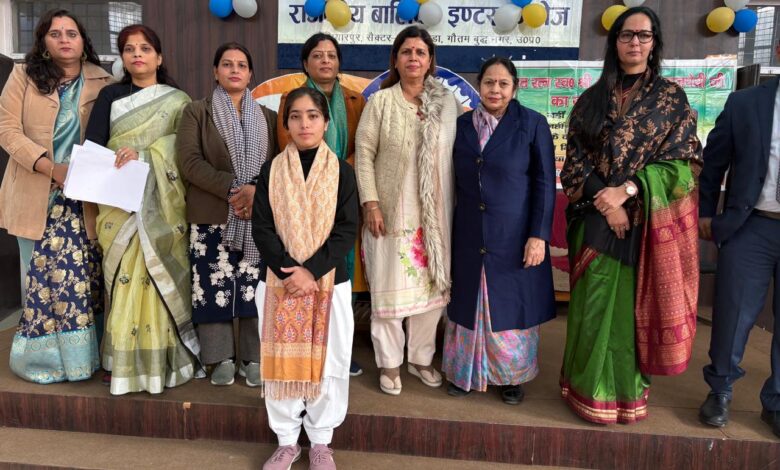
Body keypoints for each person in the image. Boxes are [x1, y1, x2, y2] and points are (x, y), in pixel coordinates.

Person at [559, 6, 702, 424]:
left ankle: (622, 396)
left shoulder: (671, 99)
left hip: (644, 222)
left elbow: (685, 165)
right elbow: (574, 162)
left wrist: (628, 191)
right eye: (626, 35)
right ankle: (583, 390)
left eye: (643, 35)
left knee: (625, 314)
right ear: (615, 41)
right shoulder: (591, 99)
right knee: (591, 309)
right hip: (593, 217)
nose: (634, 42)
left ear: (654, 43)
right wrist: (606, 200)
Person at [84, 24, 201, 395]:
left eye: (145, 48)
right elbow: (93, 147)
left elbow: (185, 151)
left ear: (159, 57)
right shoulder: (110, 96)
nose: (137, 54)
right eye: (129, 49)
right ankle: (120, 362)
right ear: (122, 58)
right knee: (125, 279)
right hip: (119, 203)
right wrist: (122, 160)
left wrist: (147, 155)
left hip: (161, 206)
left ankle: (164, 360)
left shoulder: (178, 100)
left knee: (157, 276)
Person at [0, 9, 111, 384]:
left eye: (72, 33)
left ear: (83, 41)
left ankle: (84, 359)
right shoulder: (24, 76)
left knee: (83, 281)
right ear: (44, 42)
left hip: (84, 198)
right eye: (56, 33)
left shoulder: (103, 81)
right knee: (43, 283)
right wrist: (50, 167)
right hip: (36, 193)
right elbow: (6, 129)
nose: (65, 39)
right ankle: (43, 362)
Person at [253, 87, 358, 470]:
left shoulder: (342, 172)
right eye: (295, 116)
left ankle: (320, 442)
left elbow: (347, 229)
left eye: (313, 115)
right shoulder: (271, 170)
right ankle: (286, 442)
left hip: (329, 280)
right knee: (280, 363)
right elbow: (262, 228)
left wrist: (311, 270)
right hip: (278, 280)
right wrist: (290, 271)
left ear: (326, 122)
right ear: (286, 124)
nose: (304, 123)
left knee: (330, 362)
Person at [443, 57, 556, 404]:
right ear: (479, 85)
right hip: (470, 232)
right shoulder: (462, 125)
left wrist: (538, 235)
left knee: (512, 308)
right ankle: (465, 374)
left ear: (514, 88)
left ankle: (511, 378)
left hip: (515, 235)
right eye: (489, 82)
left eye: (503, 83)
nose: (495, 89)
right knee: (469, 303)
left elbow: (545, 183)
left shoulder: (532, 124)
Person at [355, 25, 461, 395]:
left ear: (430, 61)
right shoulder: (381, 102)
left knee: (431, 293)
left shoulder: (447, 103)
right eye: (406, 52)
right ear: (396, 60)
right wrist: (371, 203)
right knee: (390, 291)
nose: (413, 58)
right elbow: (364, 155)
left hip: (436, 216)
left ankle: (420, 358)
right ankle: (389, 363)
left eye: (420, 52)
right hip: (390, 214)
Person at [177, 42, 277, 387]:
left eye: (242, 65)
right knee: (212, 285)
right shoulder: (196, 112)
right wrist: (235, 188)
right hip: (212, 213)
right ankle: (219, 357)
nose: (235, 70)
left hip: (255, 215)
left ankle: (253, 357)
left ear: (251, 74)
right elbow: (189, 162)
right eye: (227, 64)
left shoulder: (268, 117)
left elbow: (278, 165)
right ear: (215, 72)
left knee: (254, 286)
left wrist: (255, 189)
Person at [698, 40, 780, 436]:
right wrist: (705, 213)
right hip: (752, 225)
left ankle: (776, 401)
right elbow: (713, 161)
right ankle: (720, 390)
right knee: (733, 314)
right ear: (779, 50)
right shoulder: (745, 103)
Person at [277, 33, 366, 377]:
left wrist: (339, 172)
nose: (325, 60)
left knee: (339, 268)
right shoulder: (290, 100)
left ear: (339, 62)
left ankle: (339, 349)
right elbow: (285, 148)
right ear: (305, 63)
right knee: (304, 267)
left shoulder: (356, 101)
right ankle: (303, 347)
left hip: (342, 191)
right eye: (317, 55)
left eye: (331, 55)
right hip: (300, 197)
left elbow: (363, 147)